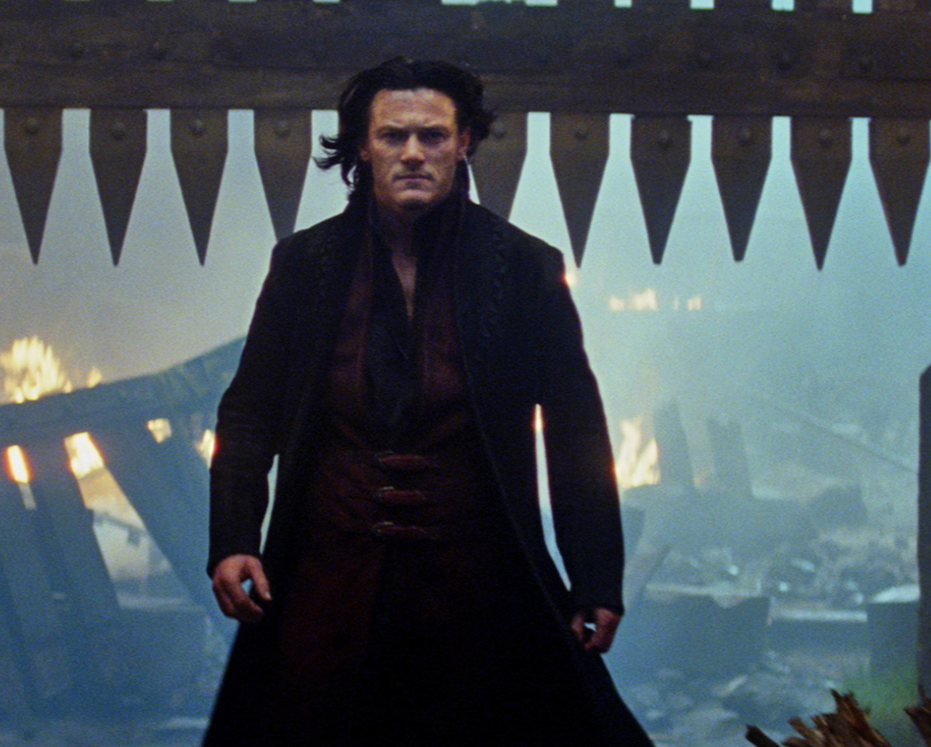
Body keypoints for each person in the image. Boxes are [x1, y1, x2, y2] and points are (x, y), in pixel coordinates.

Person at [204, 57, 651, 746]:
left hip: (479, 584)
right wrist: (234, 538)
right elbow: (250, 409)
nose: (413, 153)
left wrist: (595, 577)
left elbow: (575, 429)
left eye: (433, 136)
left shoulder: (524, 268)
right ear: (363, 147)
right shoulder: (305, 264)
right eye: (393, 136)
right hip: (327, 581)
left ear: (463, 142)